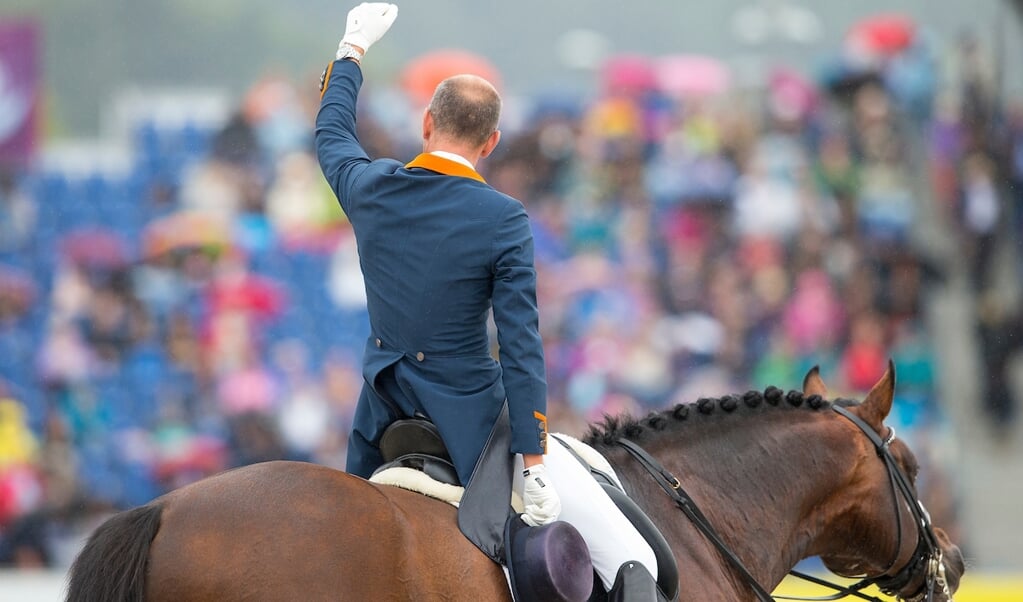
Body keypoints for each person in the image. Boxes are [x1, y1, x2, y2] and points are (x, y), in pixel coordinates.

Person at [315, 4, 659, 598]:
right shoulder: (503, 218)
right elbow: (521, 346)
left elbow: (332, 131)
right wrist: (533, 458)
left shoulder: (371, 186)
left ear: (427, 124)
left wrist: (352, 50)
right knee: (633, 561)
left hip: (380, 412)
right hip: (470, 421)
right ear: (491, 142)